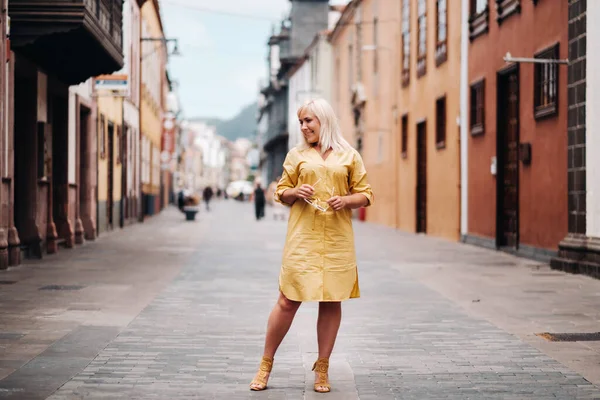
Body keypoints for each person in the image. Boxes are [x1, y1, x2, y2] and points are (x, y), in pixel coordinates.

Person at [249, 98, 373, 393]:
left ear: (324, 121)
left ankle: (323, 368)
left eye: (309, 121)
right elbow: (280, 192)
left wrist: (345, 200)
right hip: (303, 238)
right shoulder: (296, 155)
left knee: (331, 301)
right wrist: (295, 191)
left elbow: (366, 194)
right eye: (301, 122)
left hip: (336, 240)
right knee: (287, 300)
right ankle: (266, 364)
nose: (303, 127)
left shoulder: (349, 155)